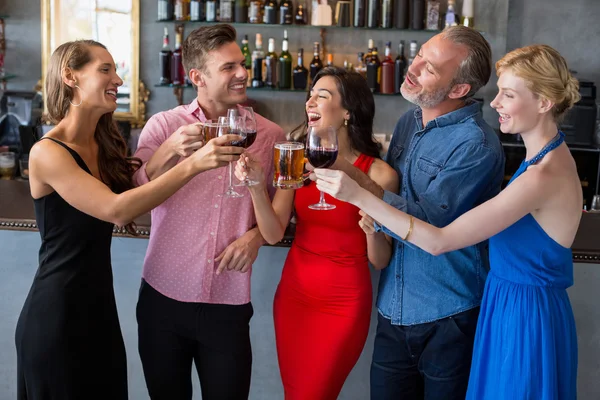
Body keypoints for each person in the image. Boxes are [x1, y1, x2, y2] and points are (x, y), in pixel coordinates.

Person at [315, 44, 581, 400]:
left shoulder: (540, 175)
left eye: (508, 94)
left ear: (545, 103)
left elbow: (439, 240)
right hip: (505, 308)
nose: (496, 102)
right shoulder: (542, 160)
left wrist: (359, 194)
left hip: (524, 319)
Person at [15, 40, 243, 400]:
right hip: (57, 314)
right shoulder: (47, 152)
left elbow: (134, 187)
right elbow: (118, 209)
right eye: (105, 70)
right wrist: (193, 165)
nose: (118, 79)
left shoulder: (103, 141)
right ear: (70, 76)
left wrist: (168, 150)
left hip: (99, 310)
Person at [311, 26, 505, 400]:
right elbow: (389, 201)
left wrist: (358, 185)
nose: (412, 67)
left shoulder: (476, 145)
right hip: (393, 310)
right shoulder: (408, 121)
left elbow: (428, 226)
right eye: (419, 55)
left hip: (448, 315)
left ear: (459, 89)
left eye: (429, 68)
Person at [133, 24, 285, 400]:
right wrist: (168, 150)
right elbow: (134, 196)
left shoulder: (270, 135)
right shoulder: (165, 125)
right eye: (229, 67)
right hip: (162, 299)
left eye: (242, 64)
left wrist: (254, 236)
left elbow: (277, 215)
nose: (243, 73)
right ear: (197, 76)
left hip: (228, 302)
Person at [235, 66, 399, 399]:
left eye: (322, 96)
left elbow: (380, 261)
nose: (310, 101)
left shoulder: (379, 174)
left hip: (344, 303)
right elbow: (272, 231)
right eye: (310, 94)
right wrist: (254, 186)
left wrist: (372, 230)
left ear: (348, 112)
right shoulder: (296, 159)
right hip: (295, 296)